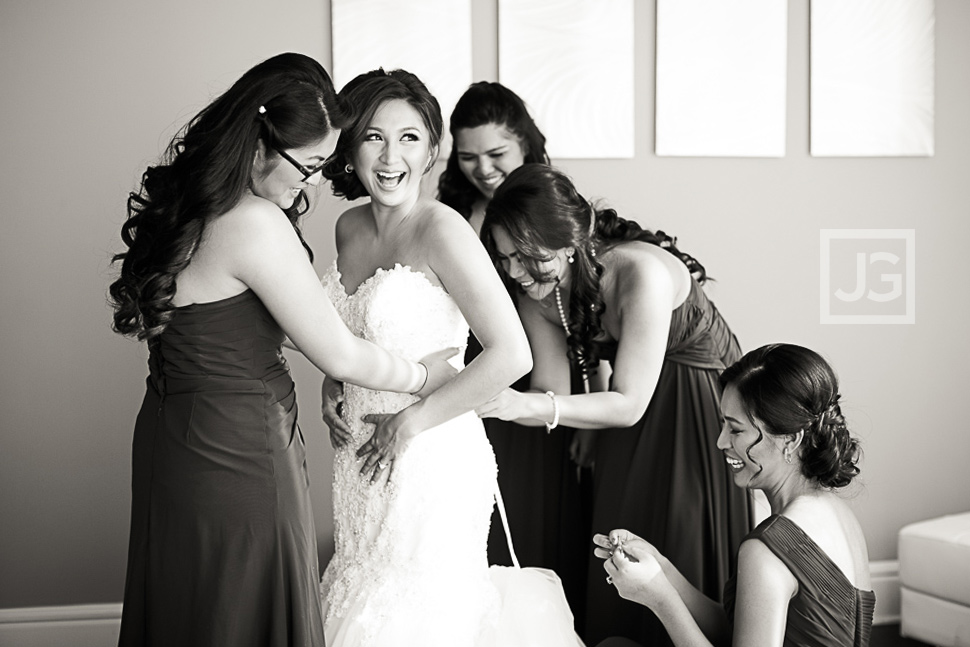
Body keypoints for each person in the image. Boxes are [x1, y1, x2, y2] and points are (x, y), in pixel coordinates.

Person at [108, 53, 456, 647]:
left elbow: (245, 323)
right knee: (244, 602)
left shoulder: (192, 206)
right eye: (311, 164)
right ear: (263, 142)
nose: (316, 181)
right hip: (238, 445)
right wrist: (423, 376)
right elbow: (340, 355)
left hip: (170, 434)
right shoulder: (253, 222)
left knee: (193, 598)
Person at [316, 69, 581, 647]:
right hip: (358, 461)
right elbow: (346, 334)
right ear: (350, 144)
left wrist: (409, 423)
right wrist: (333, 384)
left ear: (433, 149)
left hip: (430, 456)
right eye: (373, 136)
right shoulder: (347, 227)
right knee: (360, 594)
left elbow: (511, 354)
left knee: (419, 613)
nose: (391, 156)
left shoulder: (444, 230)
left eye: (410, 137)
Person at [477, 163, 751, 646]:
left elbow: (627, 403)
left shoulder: (638, 272)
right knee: (621, 535)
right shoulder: (536, 293)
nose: (515, 272)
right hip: (625, 404)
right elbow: (550, 386)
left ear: (568, 244)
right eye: (504, 258)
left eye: (525, 256)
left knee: (679, 537)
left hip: (695, 401)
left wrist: (523, 406)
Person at [594, 343, 874, 647]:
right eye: (723, 423)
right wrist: (662, 569)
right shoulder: (840, 516)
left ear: (790, 440)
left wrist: (659, 598)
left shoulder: (767, 550)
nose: (720, 441)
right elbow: (743, 629)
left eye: (736, 430)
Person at [435, 81, 591, 618]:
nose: (483, 169)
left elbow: (585, 319)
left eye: (497, 154)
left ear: (525, 143)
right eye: (469, 156)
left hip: (535, 389)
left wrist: (579, 420)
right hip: (465, 386)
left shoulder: (549, 211)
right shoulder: (448, 216)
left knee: (534, 527)